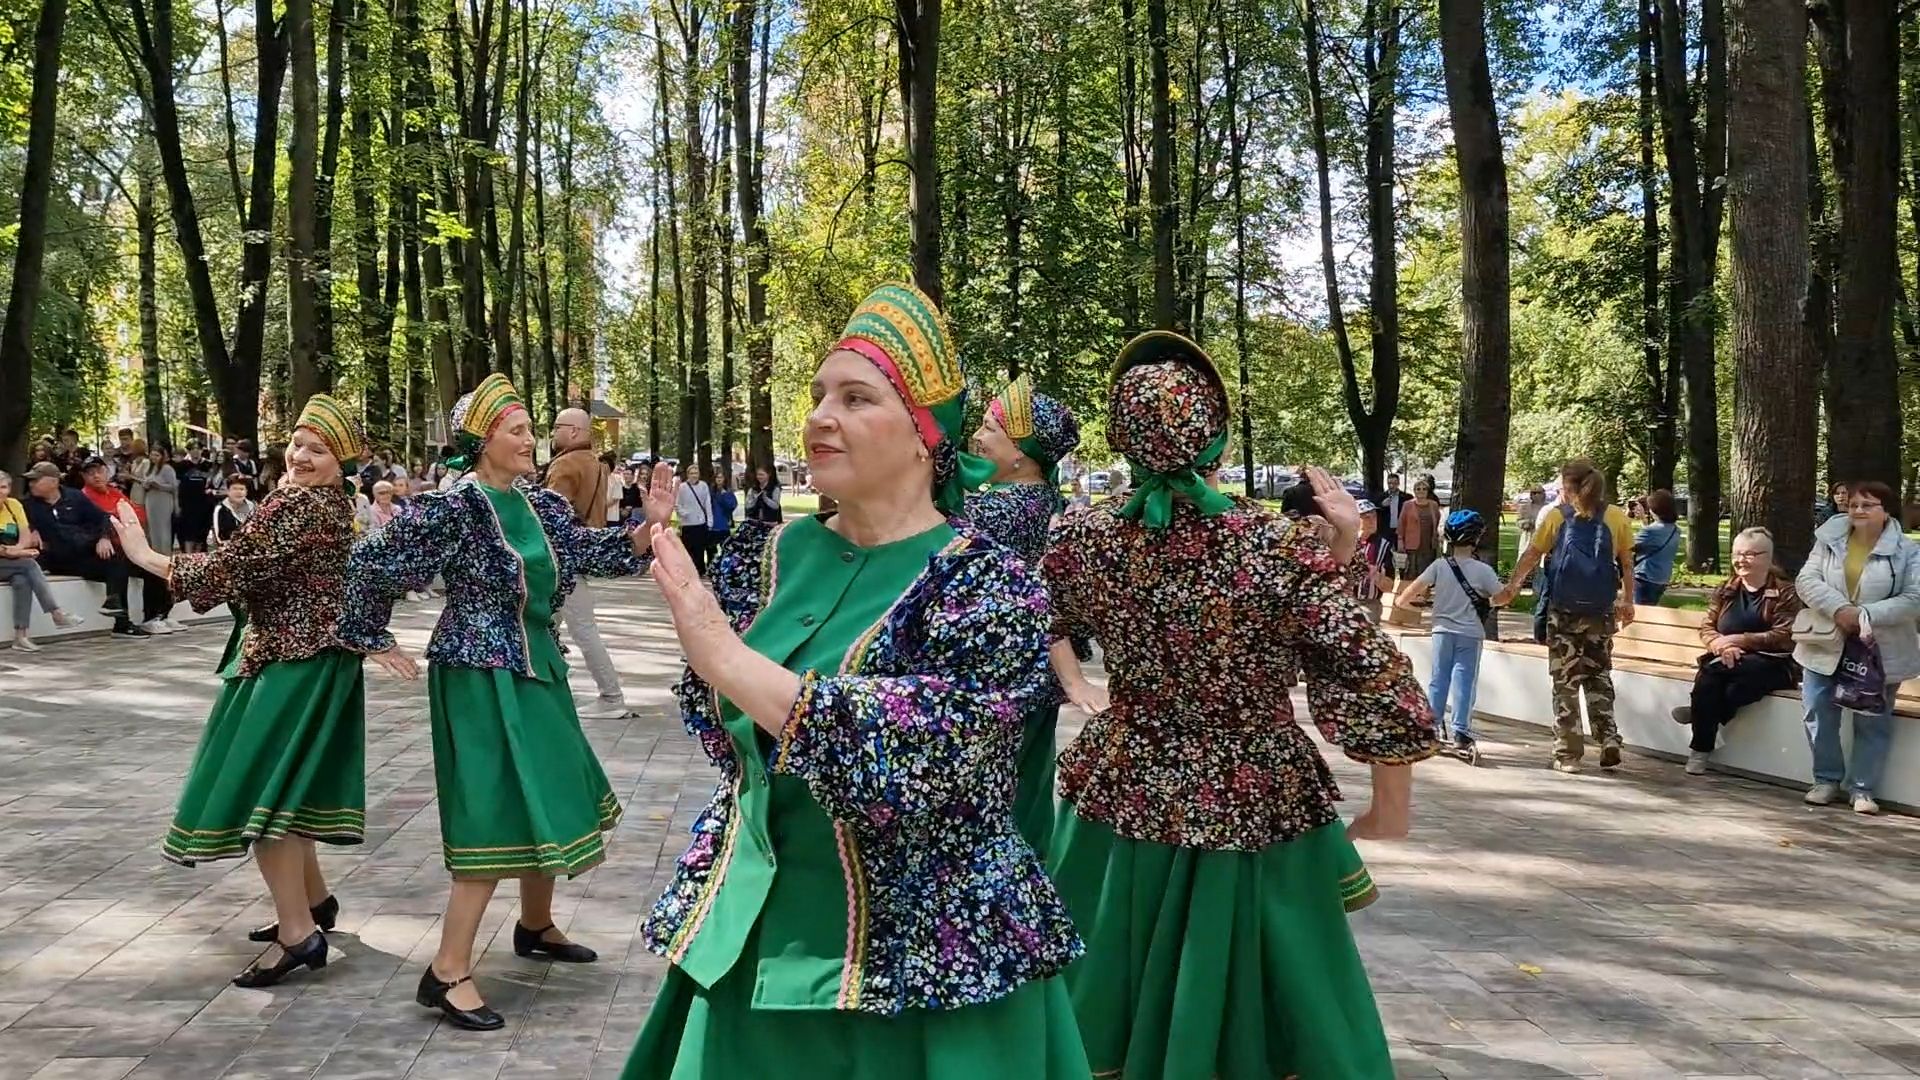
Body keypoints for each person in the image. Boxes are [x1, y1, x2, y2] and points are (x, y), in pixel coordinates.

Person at [622, 281, 1088, 1080]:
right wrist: (713, 668)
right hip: (757, 934)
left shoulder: (989, 582)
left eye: (856, 397)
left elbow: (934, 753)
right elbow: (721, 729)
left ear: (925, 436)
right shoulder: (763, 554)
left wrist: (727, 658)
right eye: (818, 396)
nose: (820, 416)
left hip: (922, 967)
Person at [1043, 332, 1435, 1079]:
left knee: (1110, 969)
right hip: (1256, 790)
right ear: (1216, 434)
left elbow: (1047, 622)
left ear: (1123, 438)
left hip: (1127, 782)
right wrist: (1391, 803)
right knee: (1282, 982)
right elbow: (1364, 660)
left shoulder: (1081, 541)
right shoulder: (1273, 544)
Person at [341, 374, 672, 1031]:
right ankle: (446, 972)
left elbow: (588, 553)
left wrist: (648, 528)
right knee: (492, 808)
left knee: (546, 791)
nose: (532, 439)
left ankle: (535, 924)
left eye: (531, 429)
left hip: (535, 665)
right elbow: (370, 560)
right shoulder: (454, 506)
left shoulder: (539, 504)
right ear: (484, 439)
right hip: (478, 672)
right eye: (518, 430)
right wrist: (368, 635)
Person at [111, 396, 368, 986]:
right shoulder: (330, 502)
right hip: (305, 657)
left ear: (340, 459)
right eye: (298, 443)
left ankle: (299, 934)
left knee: (262, 793)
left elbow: (235, 566)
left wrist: (147, 556)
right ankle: (314, 905)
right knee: (287, 785)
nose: (300, 455)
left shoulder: (299, 505)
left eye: (317, 449)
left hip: (289, 661)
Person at [966, 372, 1082, 858]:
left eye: (991, 428)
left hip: (997, 676)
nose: (976, 435)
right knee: (1029, 788)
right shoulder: (1044, 501)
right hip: (1033, 674)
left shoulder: (1001, 511)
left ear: (1021, 454)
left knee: (994, 798)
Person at [1495, 458, 1636, 773]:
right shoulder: (1616, 517)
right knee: (1598, 676)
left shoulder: (1558, 517)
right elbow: (1626, 563)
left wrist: (1513, 586)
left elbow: (1533, 554)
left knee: (1565, 681)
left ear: (1569, 486)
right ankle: (1608, 736)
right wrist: (1627, 601)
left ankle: (1568, 754)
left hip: (1564, 613)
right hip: (1601, 613)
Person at [1793, 480, 1920, 815]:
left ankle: (1862, 788)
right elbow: (1806, 580)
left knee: (1872, 718)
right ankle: (1825, 780)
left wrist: (1864, 615)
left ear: (1886, 510)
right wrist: (1840, 610)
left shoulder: (1909, 551)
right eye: (1853, 505)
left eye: (1868, 505)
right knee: (1818, 711)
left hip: (1880, 648)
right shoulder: (1828, 538)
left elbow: (1914, 599)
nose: (1858, 511)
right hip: (1826, 642)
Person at [1669, 528, 1803, 777]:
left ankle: (1700, 721)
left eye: (1750, 554)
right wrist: (1721, 644)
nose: (1741, 560)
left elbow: (1784, 636)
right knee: (1717, 679)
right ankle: (1701, 745)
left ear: (1768, 557)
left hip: (1775, 663)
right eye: (1738, 553)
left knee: (1715, 676)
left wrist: (1741, 641)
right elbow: (1707, 626)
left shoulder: (1786, 592)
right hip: (1725, 659)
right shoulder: (1726, 589)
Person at [1397, 511, 1510, 764]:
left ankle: (1433, 725)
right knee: (1464, 682)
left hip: (1441, 631)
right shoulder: (1484, 571)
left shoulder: (1439, 566)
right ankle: (1460, 731)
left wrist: (1424, 609)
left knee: (1438, 679)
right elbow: (1503, 598)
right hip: (1470, 633)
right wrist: (1488, 602)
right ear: (1476, 538)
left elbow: (1403, 600)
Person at [545, 406, 632, 720]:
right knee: (546, 625)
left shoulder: (566, 464)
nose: (552, 433)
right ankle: (544, 689)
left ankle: (611, 696)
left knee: (581, 629)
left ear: (574, 432)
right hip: (578, 554)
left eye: (557, 427)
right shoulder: (595, 463)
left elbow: (549, 515)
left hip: (560, 558)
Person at [0, 470, 84, 650]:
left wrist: (18, 550)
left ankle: (20, 637)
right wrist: (18, 553)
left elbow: (25, 536)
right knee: (28, 564)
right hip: (11, 559)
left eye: (3, 487)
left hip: (11, 562)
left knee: (22, 580)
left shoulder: (13, 505)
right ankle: (57, 613)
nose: (0, 491)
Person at [1632, 489, 1681, 606]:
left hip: (1644, 577)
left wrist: (1624, 519)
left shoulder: (1651, 531)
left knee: (1639, 614)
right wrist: (1643, 520)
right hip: (1661, 579)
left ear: (1654, 510)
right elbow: (1654, 542)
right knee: (1650, 610)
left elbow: (1628, 545)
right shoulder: (1675, 530)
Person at [1351, 499, 1395, 622]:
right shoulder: (1345, 541)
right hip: (1345, 601)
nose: (1372, 521)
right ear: (1355, 519)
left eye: (1374, 516)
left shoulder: (1383, 545)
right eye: (1366, 517)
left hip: (1369, 605)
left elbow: (1389, 586)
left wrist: (1374, 574)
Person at [1397, 475, 1443, 583]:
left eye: (1424, 489)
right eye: (1418, 489)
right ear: (1414, 491)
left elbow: (1437, 519)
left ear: (1428, 491)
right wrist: (1400, 540)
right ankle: (1410, 596)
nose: (1421, 491)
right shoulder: (1407, 505)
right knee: (1411, 572)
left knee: (1427, 572)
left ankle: (1423, 596)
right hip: (1412, 544)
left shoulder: (1434, 505)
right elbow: (1401, 523)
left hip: (1428, 545)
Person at [674, 460, 715, 576]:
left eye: (696, 473)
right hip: (687, 523)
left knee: (699, 549)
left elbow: (708, 504)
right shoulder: (682, 487)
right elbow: (677, 504)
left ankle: (699, 570)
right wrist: (683, 513)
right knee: (687, 549)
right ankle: (688, 570)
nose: (694, 475)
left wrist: (710, 521)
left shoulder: (703, 486)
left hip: (700, 522)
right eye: (692, 473)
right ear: (688, 475)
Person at [138, 445, 179, 556]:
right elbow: (144, 484)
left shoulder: (167, 469)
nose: (154, 457)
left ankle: (165, 554)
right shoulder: (149, 468)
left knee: (163, 528)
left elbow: (173, 486)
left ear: (162, 456)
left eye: (157, 455)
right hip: (151, 500)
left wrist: (159, 486)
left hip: (164, 500)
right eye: (152, 454)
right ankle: (155, 553)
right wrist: (146, 485)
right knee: (153, 528)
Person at [175, 447, 214, 553]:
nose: (195, 451)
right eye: (192, 449)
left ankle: (199, 556)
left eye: (198, 449)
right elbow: (177, 484)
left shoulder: (208, 464)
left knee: (202, 532)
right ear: (188, 451)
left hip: (203, 503)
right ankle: (188, 556)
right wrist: (177, 503)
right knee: (188, 532)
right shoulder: (181, 465)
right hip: (187, 503)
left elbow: (212, 482)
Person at [211, 477, 257, 549]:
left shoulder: (252, 506)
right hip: (228, 549)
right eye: (234, 489)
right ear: (228, 491)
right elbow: (218, 537)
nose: (238, 492)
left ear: (246, 492)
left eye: (241, 489)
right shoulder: (220, 508)